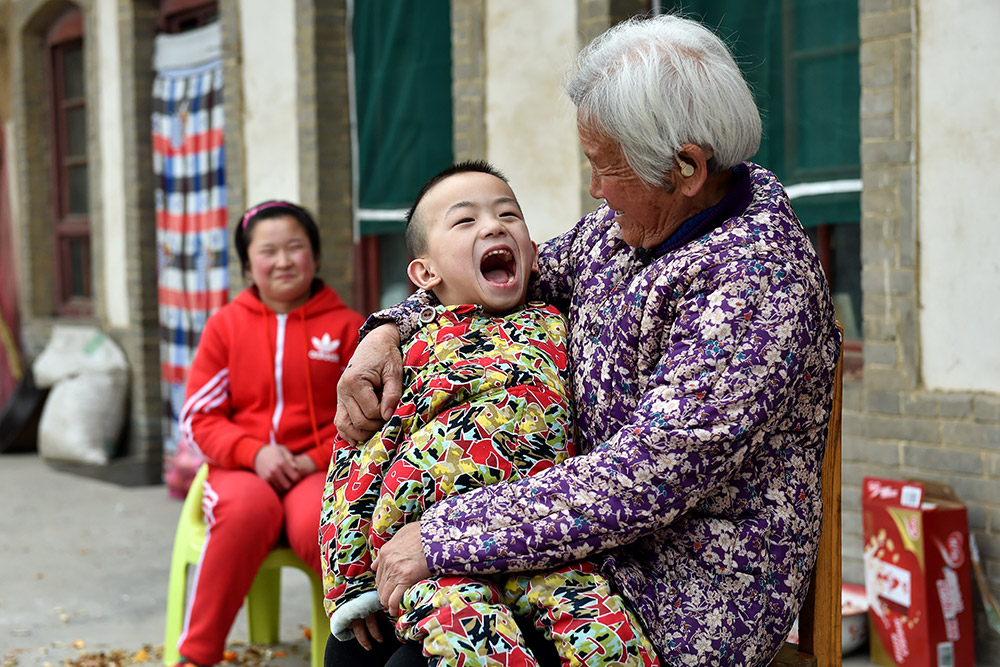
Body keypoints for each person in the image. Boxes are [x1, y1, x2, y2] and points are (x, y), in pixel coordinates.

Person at [334, 14, 843, 667]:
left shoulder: (759, 286)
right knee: (355, 647)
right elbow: (508, 277)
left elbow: (636, 479)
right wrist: (388, 328)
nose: (596, 191)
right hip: (576, 547)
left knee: (415, 661)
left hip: (676, 594)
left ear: (687, 166)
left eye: (607, 170)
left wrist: (441, 536)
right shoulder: (627, 229)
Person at [321, 161, 659, 667]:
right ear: (425, 273)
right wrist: (351, 584)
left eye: (510, 215)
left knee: (606, 636)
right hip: (431, 555)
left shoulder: (560, 318)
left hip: (541, 541)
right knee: (468, 638)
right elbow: (355, 463)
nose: (495, 226)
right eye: (464, 221)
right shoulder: (417, 349)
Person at [174, 200, 365, 666]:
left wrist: (314, 458)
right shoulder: (225, 326)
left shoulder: (347, 327)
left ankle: (356, 652)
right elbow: (199, 417)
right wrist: (253, 452)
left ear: (316, 257)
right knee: (245, 512)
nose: (283, 261)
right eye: (268, 251)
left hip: (319, 468)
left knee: (322, 526)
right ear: (246, 264)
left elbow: (367, 418)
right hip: (239, 467)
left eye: (295, 247)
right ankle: (196, 656)